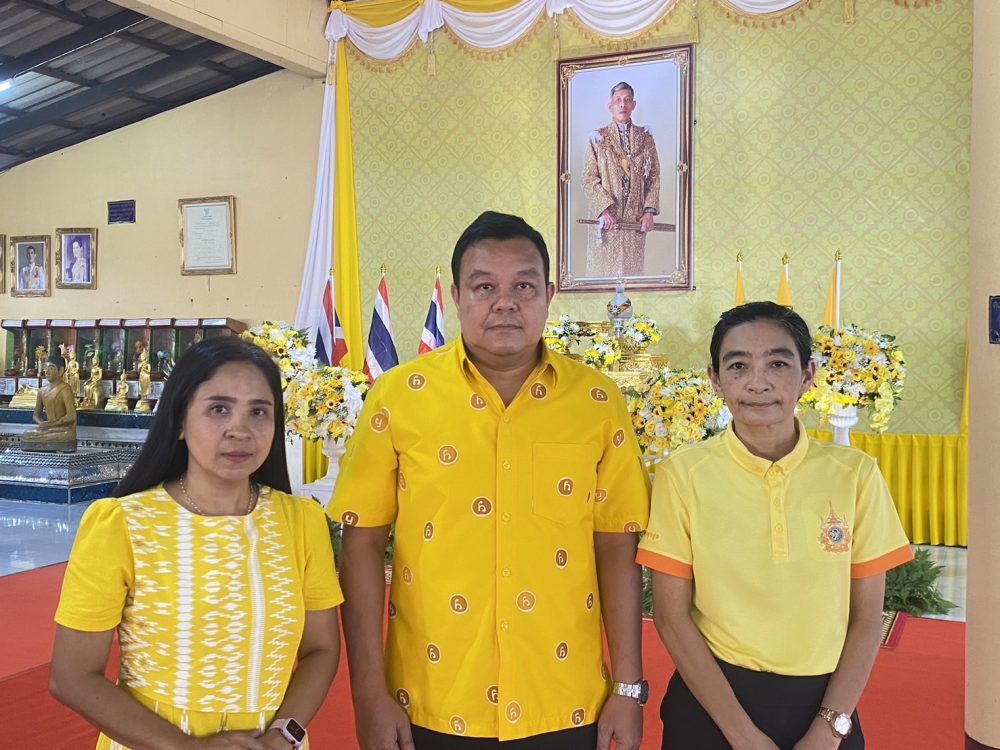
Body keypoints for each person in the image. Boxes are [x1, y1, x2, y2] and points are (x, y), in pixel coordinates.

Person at [331, 210, 651, 750]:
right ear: (457, 296)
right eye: (485, 287)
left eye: (524, 286)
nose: (505, 302)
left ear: (548, 295)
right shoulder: (398, 397)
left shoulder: (597, 401)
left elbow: (616, 546)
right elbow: (360, 546)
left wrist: (626, 686)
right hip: (432, 700)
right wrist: (368, 694)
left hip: (565, 701)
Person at [637, 302, 914, 750]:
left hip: (825, 704)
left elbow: (867, 619)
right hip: (713, 703)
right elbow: (671, 617)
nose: (758, 382)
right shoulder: (683, 474)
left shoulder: (855, 475)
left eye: (778, 364)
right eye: (738, 366)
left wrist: (829, 730)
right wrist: (742, 735)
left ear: (808, 375)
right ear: (715, 379)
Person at [50, 337, 343, 749]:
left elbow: (321, 649)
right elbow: (72, 676)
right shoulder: (122, 524)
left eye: (258, 411)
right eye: (219, 408)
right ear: (180, 422)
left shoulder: (302, 522)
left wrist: (284, 735)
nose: (240, 430)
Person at [582, 82, 661, 279]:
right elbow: (589, 178)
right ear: (610, 106)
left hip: (634, 220)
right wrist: (604, 210)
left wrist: (648, 212)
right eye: (618, 100)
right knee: (604, 277)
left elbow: (653, 176)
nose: (622, 104)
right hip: (608, 221)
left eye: (627, 100)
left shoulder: (645, 138)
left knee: (632, 278)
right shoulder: (598, 138)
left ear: (633, 105)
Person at [21, 353, 77, 451]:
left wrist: (55, 423)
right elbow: (36, 416)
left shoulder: (65, 389)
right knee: (27, 434)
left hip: (62, 429)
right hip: (48, 428)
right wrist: (42, 423)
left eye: (51, 368)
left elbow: (71, 416)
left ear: (60, 371)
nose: (46, 371)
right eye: (45, 368)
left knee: (67, 435)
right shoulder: (42, 391)